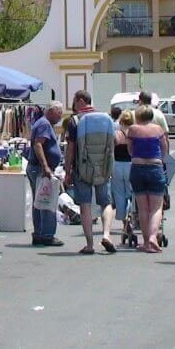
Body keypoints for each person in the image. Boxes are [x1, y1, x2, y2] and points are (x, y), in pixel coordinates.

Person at [63, 90, 116, 254]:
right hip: (103, 167)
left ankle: (90, 244)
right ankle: (106, 234)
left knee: (85, 205)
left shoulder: (75, 121)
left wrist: (67, 170)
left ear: (80, 101)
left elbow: (71, 148)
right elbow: (113, 142)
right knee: (105, 202)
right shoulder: (106, 118)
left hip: (82, 168)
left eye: (74, 101)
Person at [128, 105, 168, 253]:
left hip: (137, 168)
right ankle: (153, 237)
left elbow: (130, 150)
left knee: (143, 208)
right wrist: (160, 159)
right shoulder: (158, 129)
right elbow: (164, 148)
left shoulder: (133, 129)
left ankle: (146, 242)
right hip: (155, 167)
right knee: (156, 207)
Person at [27, 101, 65, 247]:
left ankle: (39, 233)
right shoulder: (44, 124)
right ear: (51, 111)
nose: (60, 116)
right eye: (59, 112)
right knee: (47, 201)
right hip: (40, 169)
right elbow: (38, 144)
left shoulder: (42, 123)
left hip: (37, 167)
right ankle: (47, 235)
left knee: (39, 202)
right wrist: (45, 166)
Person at [111, 110, 134, 238]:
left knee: (119, 194)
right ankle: (131, 214)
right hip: (131, 165)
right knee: (132, 193)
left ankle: (124, 221)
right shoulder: (134, 134)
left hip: (117, 165)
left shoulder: (117, 134)